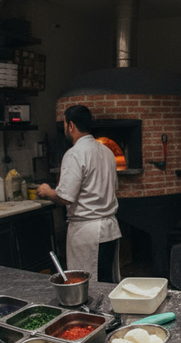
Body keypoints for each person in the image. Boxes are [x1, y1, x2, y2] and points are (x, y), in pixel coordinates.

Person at [37, 105, 121, 283]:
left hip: (88, 233)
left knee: (90, 287)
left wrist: (47, 191)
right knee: (107, 284)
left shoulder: (75, 153)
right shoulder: (107, 152)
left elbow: (66, 196)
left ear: (71, 125)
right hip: (110, 229)